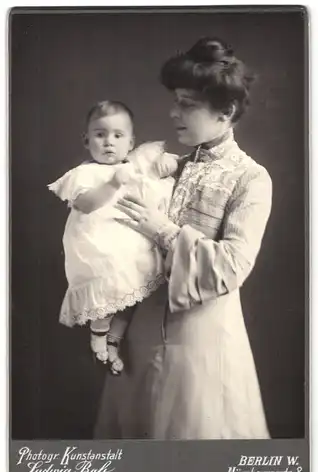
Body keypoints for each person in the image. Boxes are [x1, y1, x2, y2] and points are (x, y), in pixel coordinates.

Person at [94, 37, 273, 439]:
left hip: (203, 342)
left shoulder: (250, 178)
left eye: (188, 104)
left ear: (226, 111)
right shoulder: (167, 168)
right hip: (139, 336)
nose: (174, 113)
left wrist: (163, 229)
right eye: (176, 101)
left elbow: (232, 267)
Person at [48, 100, 177, 374]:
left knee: (133, 292)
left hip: (128, 243)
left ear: (131, 142)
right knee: (108, 290)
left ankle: (113, 341)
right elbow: (86, 204)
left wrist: (170, 163)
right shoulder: (85, 173)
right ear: (86, 140)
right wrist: (114, 182)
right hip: (98, 245)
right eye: (100, 134)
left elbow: (159, 170)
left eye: (118, 136)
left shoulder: (135, 163)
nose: (109, 142)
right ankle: (98, 335)